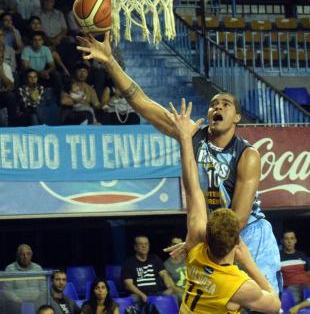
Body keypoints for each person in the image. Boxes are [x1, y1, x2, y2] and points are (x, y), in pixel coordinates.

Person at [76, 33, 281, 295]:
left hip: (249, 235)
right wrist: (110, 63)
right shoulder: (192, 136)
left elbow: (238, 220)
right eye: (213, 104)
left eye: (225, 104)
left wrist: (194, 241)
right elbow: (142, 103)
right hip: (214, 235)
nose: (217, 107)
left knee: (266, 305)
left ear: (237, 117)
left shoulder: (247, 155)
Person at [166, 99, 281, 313]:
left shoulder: (196, 253)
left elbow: (192, 188)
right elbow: (274, 305)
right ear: (238, 243)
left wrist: (184, 138)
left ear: (207, 238)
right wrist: (248, 263)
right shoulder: (237, 284)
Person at [122, 235, 177, 308]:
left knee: (174, 296)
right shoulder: (129, 263)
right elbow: (129, 285)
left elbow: (164, 274)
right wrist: (142, 295)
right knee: (133, 299)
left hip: (157, 293)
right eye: (141, 244)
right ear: (135, 247)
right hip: (138, 294)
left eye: (146, 244)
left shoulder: (155, 258)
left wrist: (169, 287)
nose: (144, 246)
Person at [4, 244, 45, 314]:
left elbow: (44, 289)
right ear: (17, 255)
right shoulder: (10, 269)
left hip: (37, 304)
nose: (25, 257)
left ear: (31, 255)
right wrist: (19, 301)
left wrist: (38, 300)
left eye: (28, 254)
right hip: (17, 305)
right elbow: (7, 291)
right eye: (22, 254)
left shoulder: (38, 268)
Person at [280, 230, 310, 303]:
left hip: (307, 286)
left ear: (295, 241)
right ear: (282, 241)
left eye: (292, 238)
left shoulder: (301, 255)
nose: (289, 241)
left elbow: (308, 271)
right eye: (286, 239)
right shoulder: (278, 256)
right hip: (291, 288)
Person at [164, 237, 186, 303]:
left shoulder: (189, 261)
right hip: (179, 294)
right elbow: (172, 287)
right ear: (169, 247)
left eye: (180, 244)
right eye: (175, 244)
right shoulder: (166, 265)